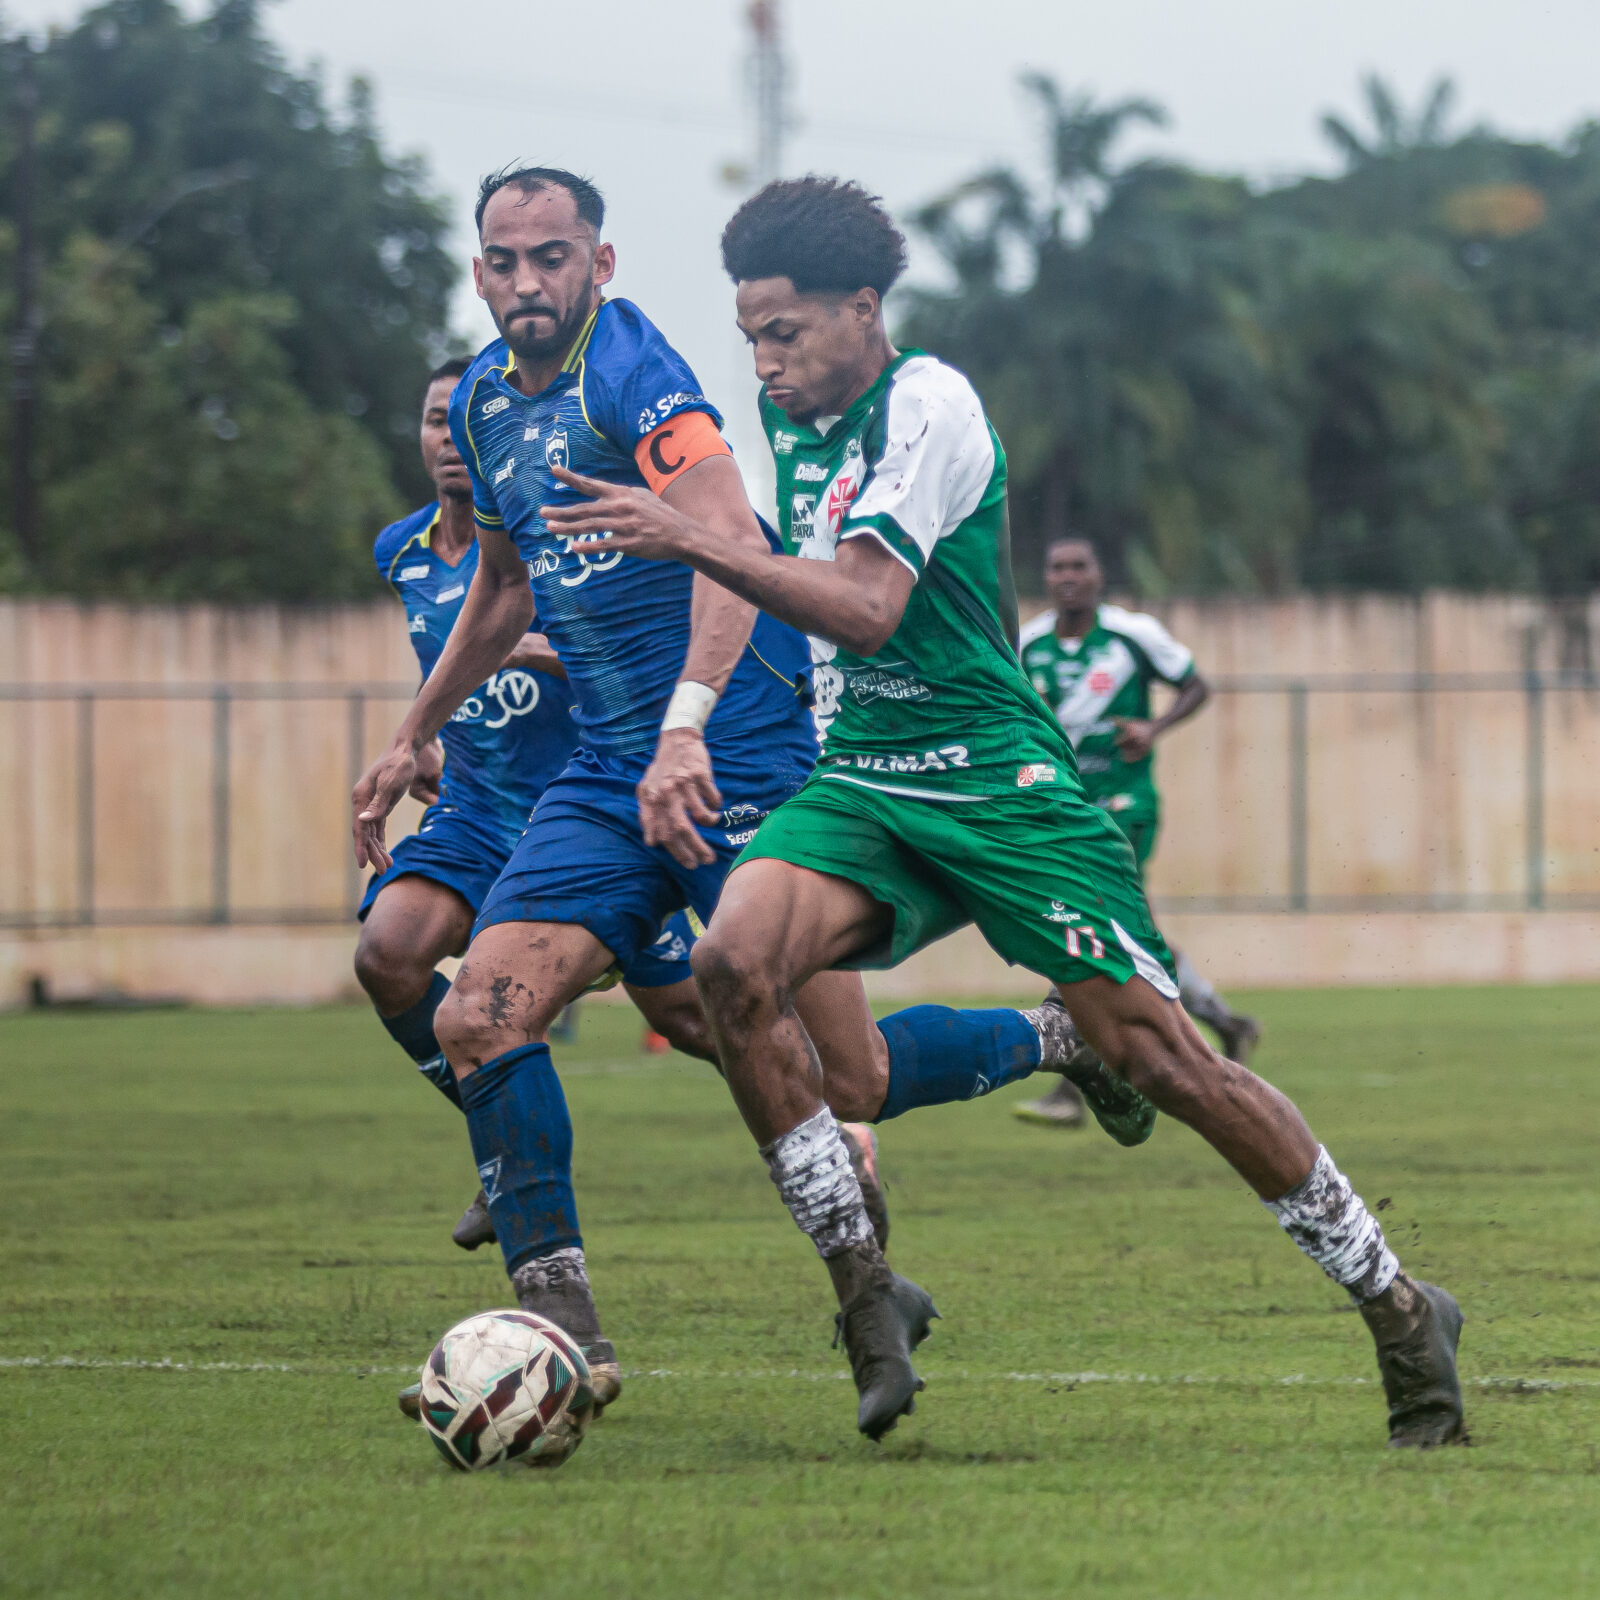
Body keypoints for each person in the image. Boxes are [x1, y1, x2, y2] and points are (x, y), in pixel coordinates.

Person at [541, 175, 1466, 1451]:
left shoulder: (931, 406)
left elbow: (862, 603)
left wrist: (689, 538)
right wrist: (683, 720)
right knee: (729, 965)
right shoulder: (786, 405)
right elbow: (782, 589)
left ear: (863, 311)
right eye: (749, 332)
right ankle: (869, 1297)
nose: (764, 361)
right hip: (863, 774)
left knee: (1166, 1062)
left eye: (785, 332)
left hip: (1000, 784)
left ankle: (1403, 1309)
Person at [352, 168, 1110, 1430]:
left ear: (599, 265)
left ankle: (1013, 1103)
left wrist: (690, 721)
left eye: (553, 257)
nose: (527, 282)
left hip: (744, 749)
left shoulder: (635, 375)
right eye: (504, 260)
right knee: (481, 1016)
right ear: (479, 272)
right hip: (606, 766)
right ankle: (563, 1333)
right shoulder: (486, 404)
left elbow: (724, 543)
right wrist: (410, 732)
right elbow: (499, 589)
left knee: (846, 1075)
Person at [353, 358, 707, 1254]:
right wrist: (421, 735)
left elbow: (593, 650)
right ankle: (503, 1151)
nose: (447, 439)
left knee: (701, 1018)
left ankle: (837, 1111)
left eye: (459, 423)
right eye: (434, 422)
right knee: (389, 955)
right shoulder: (400, 551)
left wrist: (516, 651)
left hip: (580, 806)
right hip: (475, 808)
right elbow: (444, 659)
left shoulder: (550, 537)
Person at [1011, 536, 1262, 1128]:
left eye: (1079, 566)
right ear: (1045, 578)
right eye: (1056, 567)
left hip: (1125, 800)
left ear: (1099, 576)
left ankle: (1078, 1082)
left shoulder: (1132, 635)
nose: (1067, 576)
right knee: (1123, 930)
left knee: (1084, 920)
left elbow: (1196, 685)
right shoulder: (1027, 643)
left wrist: (1154, 726)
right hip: (1064, 803)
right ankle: (1224, 1024)